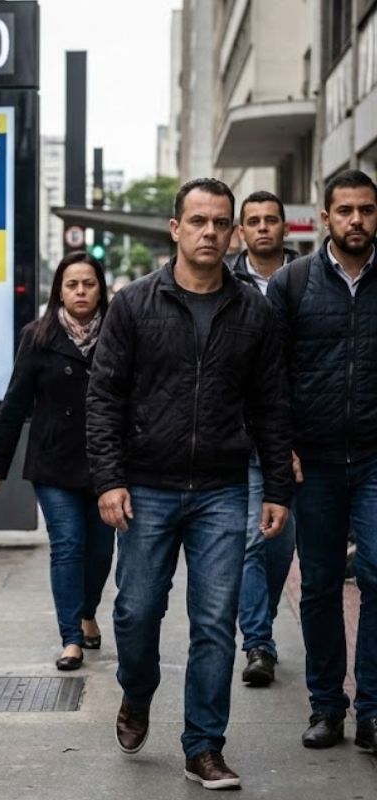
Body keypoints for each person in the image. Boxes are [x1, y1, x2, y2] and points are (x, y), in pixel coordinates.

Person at [86, 177, 293, 790]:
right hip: (146, 485)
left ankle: (204, 746)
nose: (210, 232)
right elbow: (104, 397)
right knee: (135, 611)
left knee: (214, 622)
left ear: (233, 233)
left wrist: (276, 487)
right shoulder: (134, 304)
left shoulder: (253, 311)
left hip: (223, 489)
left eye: (220, 222)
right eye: (198, 221)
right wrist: (109, 479)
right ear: (175, 228)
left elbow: (272, 405)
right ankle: (137, 691)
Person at [267, 168, 377, 753]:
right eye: (346, 210)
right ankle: (327, 707)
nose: (357, 220)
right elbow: (270, 376)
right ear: (325, 215)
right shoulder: (292, 283)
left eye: (367, 209)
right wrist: (281, 445)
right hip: (314, 461)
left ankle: (373, 710)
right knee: (319, 585)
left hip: (375, 458)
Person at [0, 252, 115, 672]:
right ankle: (70, 638)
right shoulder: (38, 336)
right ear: (59, 289)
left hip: (105, 463)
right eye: (72, 284)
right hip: (53, 462)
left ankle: (87, 610)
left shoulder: (118, 332)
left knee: (101, 552)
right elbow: (15, 402)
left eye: (88, 284)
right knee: (68, 545)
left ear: (100, 289)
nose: (81, 292)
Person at [230, 190, 300, 688]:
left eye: (270, 220)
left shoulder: (309, 278)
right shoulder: (228, 283)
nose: (262, 228)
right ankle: (258, 643)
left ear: (285, 227)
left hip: (307, 436)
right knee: (254, 541)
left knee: (282, 548)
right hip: (248, 438)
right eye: (252, 221)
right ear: (241, 231)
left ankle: (262, 618)